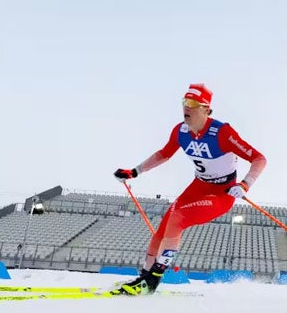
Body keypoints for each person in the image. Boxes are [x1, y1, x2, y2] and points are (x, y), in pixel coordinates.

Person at [112, 83, 266, 295]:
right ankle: (144, 277)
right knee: (163, 230)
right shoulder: (181, 131)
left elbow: (259, 159)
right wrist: (135, 171)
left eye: (193, 103)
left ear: (206, 110)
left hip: (222, 192)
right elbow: (164, 154)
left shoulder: (222, 133)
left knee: (178, 218)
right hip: (198, 187)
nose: (187, 107)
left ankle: (153, 280)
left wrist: (245, 184)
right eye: (185, 102)